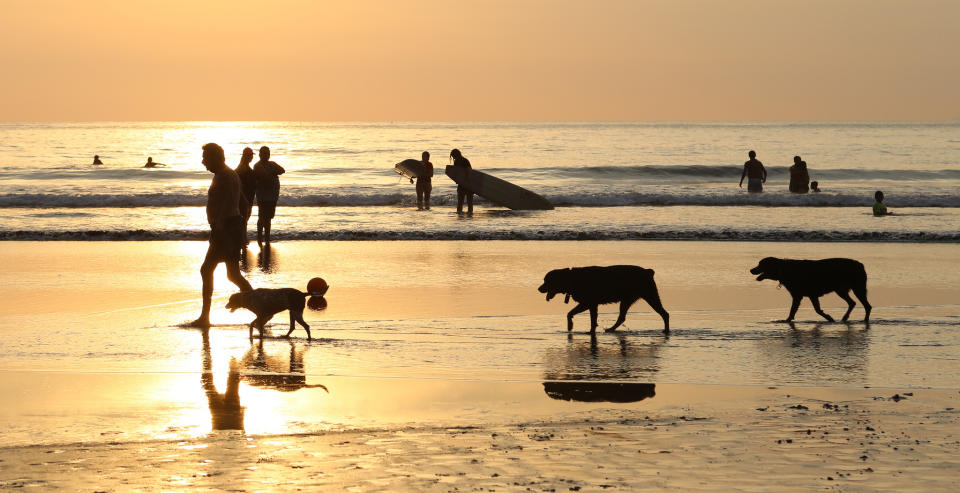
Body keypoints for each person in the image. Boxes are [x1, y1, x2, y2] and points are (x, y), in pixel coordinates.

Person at [189, 143, 253, 328]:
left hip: (224, 229)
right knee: (233, 275)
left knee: (206, 270)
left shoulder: (224, 177)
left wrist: (220, 228)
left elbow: (227, 207)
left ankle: (204, 318)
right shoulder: (229, 174)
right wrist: (241, 228)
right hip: (232, 228)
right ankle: (259, 307)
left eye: (205, 158)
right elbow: (245, 203)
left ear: (215, 158)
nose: (203, 162)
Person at [252, 146, 285, 246]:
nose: (267, 155)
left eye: (268, 153)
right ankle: (259, 237)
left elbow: (282, 170)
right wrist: (273, 173)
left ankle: (267, 237)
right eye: (265, 153)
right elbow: (264, 176)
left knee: (269, 217)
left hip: (272, 195)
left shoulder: (272, 164)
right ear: (260, 154)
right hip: (262, 195)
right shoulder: (257, 165)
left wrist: (272, 172)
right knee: (262, 217)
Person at [235, 147, 257, 245]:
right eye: (250, 155)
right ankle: (242, 239)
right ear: (246, 156)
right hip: (244, 198)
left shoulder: (244, 167)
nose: (251, 157)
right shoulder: (242, 168)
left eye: (252, 155)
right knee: (243, 219)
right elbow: (238, 184)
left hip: (247, 197)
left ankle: (242, 238)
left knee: (244, 219)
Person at [450, 148, 473, 213]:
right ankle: (465, 215)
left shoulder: (464, 160)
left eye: (453, 156)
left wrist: (467, 180)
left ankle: (463, 215)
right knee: (463, 202)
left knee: (466, 202)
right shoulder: (457, 161)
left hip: (468, 184)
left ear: (456, 155)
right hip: (463, 184)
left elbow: (469, 170)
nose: (453, 158)